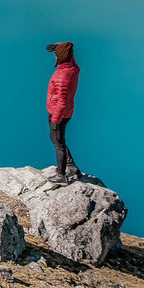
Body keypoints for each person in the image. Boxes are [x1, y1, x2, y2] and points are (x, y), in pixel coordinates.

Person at [45, 41, 81, 184]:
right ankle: (71, 167)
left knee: (57, 142)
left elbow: (61, 100)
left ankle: (61, 175)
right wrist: (58, 46)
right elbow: (70, 53)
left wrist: (55, 119)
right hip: (68, 112)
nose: (55, 57)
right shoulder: (73, 68)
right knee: (59, 139)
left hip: (58, 113)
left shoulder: (62, 76)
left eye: (56, 55)